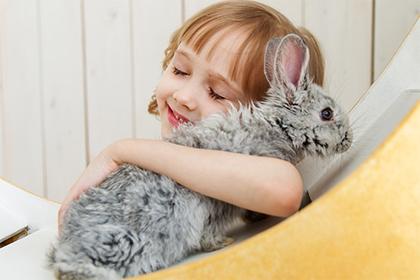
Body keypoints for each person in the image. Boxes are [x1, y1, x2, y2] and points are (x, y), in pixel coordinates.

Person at [58, 0, 325, 230]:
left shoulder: (254, 181)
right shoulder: (169, 168)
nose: (184, 97)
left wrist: (120, 151)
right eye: (180, 71)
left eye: (218, 93)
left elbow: (285, 190)